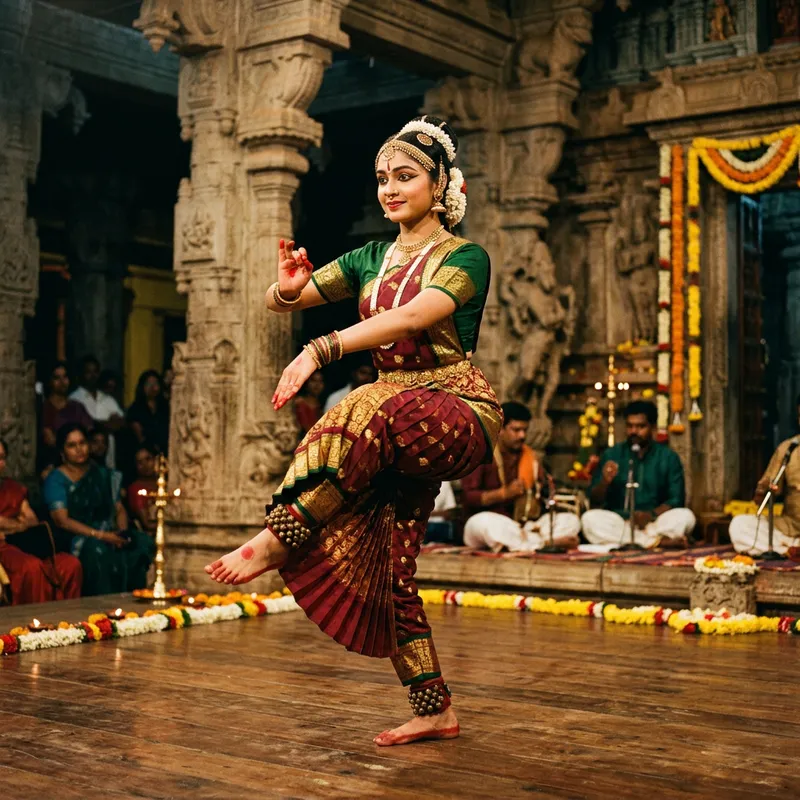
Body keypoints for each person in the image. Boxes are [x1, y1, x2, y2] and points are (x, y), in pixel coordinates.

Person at [205, 115, 500, 747]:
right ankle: (434, 708)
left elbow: (417, 315)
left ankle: (279, 538)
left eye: (405, 176)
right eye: (382, 179)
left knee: (366, 399)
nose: (390, 189)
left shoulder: (464, 255)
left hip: (454, 409)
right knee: (389, 569)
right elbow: (283, 296)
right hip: (389, 423)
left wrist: (320, 349)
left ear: (441, 182)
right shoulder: (372, 256)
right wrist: (286, 294)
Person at [43, 423, 154, 596]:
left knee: (141, 543)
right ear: (62, 452)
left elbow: (118, 509)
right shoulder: (56, 479)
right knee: (97, 551)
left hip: (109, 532)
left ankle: (135, 601)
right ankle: (103, 605)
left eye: (82, 443)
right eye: (72, 445)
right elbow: (61, 520)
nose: (79, 449)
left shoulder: (102, 474)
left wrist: (121, 533)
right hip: (77, 538)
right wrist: (101, 535)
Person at [461, 401, 581, 551]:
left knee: (570, 520)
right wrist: (504, 494)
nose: (522, 435)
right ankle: (543, 544)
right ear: (500, 429)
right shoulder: (481, 454)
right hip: (493, 522)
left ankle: (528, 543)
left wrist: (548, 496)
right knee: (483, 523)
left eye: (525, 430)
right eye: (516, 430)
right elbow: (468, 497)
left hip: (525, 527)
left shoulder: (531, 458)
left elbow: (544, 494)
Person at [583, 401, 696, 549]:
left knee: (686, 516)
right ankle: (655, 542)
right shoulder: (612, 454)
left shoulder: (668, 457)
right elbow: (594, 500)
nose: (634, 432)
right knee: (589, 519)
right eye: (630, 426)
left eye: (640, 426)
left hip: (655, 523)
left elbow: (676, 500)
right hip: (621, 522)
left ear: (653, 427)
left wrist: (649, 515)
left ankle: (638, 540)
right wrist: (604, 481)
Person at [0, 438, 82, 604]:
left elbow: (31, 521)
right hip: (3, 548)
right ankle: (35, 622)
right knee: (30, 567)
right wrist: (16, 523)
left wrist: (10, 525)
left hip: (21, 542)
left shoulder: (12, 488)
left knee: (69, 564)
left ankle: (69, 622)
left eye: (1, 457)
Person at [729, 435, 800, 555]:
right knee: (739, 525)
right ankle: (787, 550)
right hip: (790, 529)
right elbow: (763, 498)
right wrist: (763, 491)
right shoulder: (789, 448)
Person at [70, 355, 125, 469]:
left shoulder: (107, 398)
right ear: (81, 374)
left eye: (95, 371)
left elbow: (120, 423)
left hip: (109, 454)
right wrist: (106, 424)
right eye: (88, 372)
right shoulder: (74, 399)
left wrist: (96, 423)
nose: (92, 376)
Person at [38, 361, 94, 474]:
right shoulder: (45, 408)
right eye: (57, 378)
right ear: (49, 381)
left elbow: (90, 432)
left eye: (65, 377)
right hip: (53, 462)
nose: (62, 382)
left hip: (81, 461)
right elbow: (49, 439)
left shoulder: (77, 407)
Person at [127, 370, 170, 455]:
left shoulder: (165, 407)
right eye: (148, 384)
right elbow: (140, 437)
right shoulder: (135, 409)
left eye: (155, 383)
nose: (152, 387)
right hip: (145, 452)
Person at [127, 445, 159, 533]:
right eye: (140, 462)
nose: (145, 465)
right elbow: (147, 523)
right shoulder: (136, 489)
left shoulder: (164, 484)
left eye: (148, 459)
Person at [294, 370, 325, 436]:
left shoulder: (320, 407)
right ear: (306, 383)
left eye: (320, 381)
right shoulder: (300, 403)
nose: (317, 384)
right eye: (313, 380)